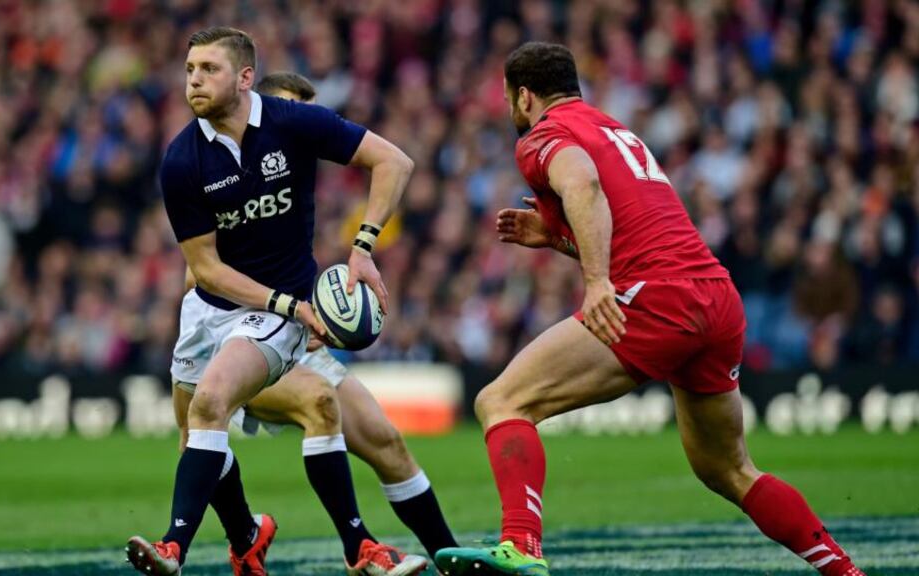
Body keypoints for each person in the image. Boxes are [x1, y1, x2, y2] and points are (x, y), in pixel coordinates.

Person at [434, 42, 867, 576]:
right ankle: (845, 571)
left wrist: (595, 282)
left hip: (658, 297)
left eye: (507, 98)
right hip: (714, 295)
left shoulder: (542, 136)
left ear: (524, 97)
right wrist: (559, 240)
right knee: (729, 469)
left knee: (501, 401)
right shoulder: (615, 129)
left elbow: (584, 185)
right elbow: (634, 220)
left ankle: (521, 545)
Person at [126, 27, 420, 576]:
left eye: (208, 69)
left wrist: (362, 247)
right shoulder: (180, 160)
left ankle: (173, 548)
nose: (194, 80)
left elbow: (395, 162)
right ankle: (247, 536)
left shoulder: (292, 123)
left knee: (214, 402)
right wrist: (284, 302)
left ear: (243, 78)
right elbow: (206, 268)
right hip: (208, 308)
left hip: (275, 310)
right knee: (195, 435)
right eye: (190, 69)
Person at [171, 70, 456, 570]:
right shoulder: (216, 168)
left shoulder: (294, 174)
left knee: (386, 441)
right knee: (315, 402)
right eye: (290, 110)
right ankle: (358, 547)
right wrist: (281, 306)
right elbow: (201, 276)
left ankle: (449, 558)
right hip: (238, 340)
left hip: (297, 334)